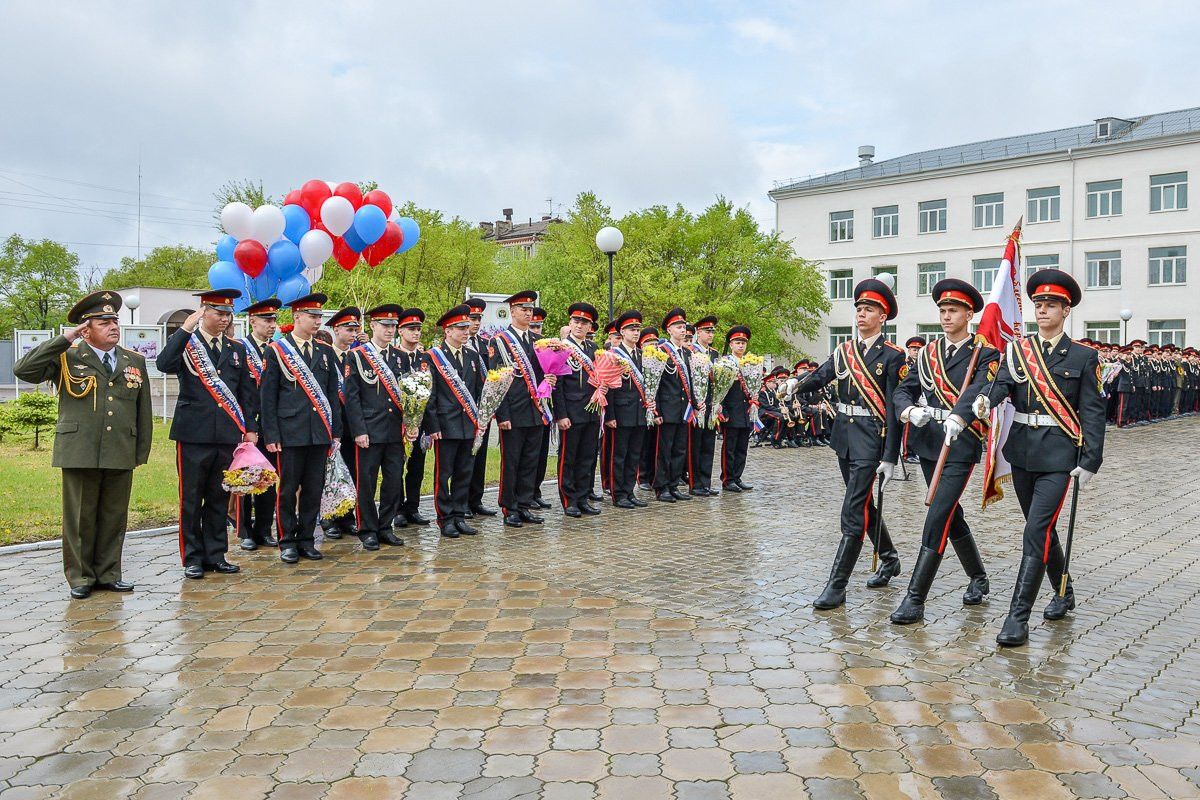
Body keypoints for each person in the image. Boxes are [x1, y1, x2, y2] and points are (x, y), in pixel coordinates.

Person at [946, 268, 1106, 646]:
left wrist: (1091, 460)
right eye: (1039, 304)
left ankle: (1018, 618)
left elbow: (1094, 411)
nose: (1043, 310)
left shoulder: (1084, 357)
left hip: (1059, 455)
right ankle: (1063, 589)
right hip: (1020, 453)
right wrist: (979, 402)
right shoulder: (1018, 351)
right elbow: (998, 385)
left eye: (1051, 304)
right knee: (1043, 530)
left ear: (1066, 310)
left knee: (1035, 531)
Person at [13, 291, 152, 599]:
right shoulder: (66, 356)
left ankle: (108, 573)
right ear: (86, 329)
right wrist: (65, 339)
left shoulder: (134, 361)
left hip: (120, 448)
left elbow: (143, 411)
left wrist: (140, 451)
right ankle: (80, 577)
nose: (113, 326)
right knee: (80, 517)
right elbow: (23, 370)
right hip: (80, 448)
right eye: (104, 322)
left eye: (114, 320)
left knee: (114, 516)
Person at [889, 279, 1000, 624]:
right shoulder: (926, 355)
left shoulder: (986, 354)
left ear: (969, 314)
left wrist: (961, 416)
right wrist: (908, 410)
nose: (946, 315)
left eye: (953, 310)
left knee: (937, 514)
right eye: (942, 310)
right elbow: (904, 389)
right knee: (950, 514)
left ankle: (915, 597)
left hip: (961, 443)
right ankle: (978, 576)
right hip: (929, 442)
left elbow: (980, 389)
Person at [793, 279, 907, 609]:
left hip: (873, 438)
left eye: (868, 309)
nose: (861, 314)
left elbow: (893, 407)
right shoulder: (844, 351)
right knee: (864, 504)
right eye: (858, 308)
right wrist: (794, 388)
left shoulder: (893, 357)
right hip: (844, 436)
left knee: (853, 509)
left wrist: (891, 456)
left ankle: (837, 585)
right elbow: (821, 375)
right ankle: (888, 556)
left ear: (882, 316)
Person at [157, 289, 259, 579]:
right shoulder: (188, 344)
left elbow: (246, 393)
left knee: (218, 496)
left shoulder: (236, 349)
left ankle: (216, 554)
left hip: (227, 434)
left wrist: (250, 428)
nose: (225, 318)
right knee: (191, 498)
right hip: (193, 434)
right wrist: (186, 329)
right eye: (219, 313)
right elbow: (164, 364)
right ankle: (192, 558)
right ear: (203, 312)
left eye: (228, 314)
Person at [260, 293, 343, 563]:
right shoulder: (277, 350)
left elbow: (332, 397)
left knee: (313, 489)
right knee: (287, 489)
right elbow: (268, 396)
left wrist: (336, 432)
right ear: (296, 316)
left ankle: (307, 539)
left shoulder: (326, 351)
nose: (318, 321)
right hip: (289, 432)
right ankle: (287, 540)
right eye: (312, 316)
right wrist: (270, 434)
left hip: (319, 432)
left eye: (320, 317)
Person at [344, 304, 408, 549]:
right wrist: (359, 430)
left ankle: (385, 526)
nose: (390, 330)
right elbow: (352, 397)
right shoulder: (357, 356)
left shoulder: (400, 357)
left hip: (395, 431)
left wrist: (410, 425)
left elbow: (410, 395)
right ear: (372, 326)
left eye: (393, 326)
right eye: (385, 325)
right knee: (367, 483)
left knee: (393, 482)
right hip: (369, 431)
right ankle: (368, 529)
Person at [488, 290, 552, 527]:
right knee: (512, 462)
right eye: (523, 309)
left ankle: (524, 505)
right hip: (513, 413)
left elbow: (542, 375)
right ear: (512, 311)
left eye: (530, 309)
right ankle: (509, 507)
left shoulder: (538, 342)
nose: (528, 313)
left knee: (530, 462)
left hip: (535, 410)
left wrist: (549, 381)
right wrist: (502, 414)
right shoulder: (500, 341)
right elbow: (496, 380)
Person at [426, 304, 487, 538]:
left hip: (468, 425)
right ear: (447, 331)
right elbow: (430, 395)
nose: (465, 331)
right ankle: (445, 518)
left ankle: (460, 514)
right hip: (445, 425)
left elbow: (479, 389)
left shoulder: (472, 355)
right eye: (460, 327)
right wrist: (433, 426)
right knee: (444, 474)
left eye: (466, 327)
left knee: (464, 472)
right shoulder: (433, 357)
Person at [235, 299, 282, 551]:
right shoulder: (240, 348)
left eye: (274, 320)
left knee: (268, 479)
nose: (271, 325)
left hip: (271, 424)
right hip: (247, 423)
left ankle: (264, 529)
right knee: (247, 479)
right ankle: (245, 531)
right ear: (252, 321)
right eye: (266, 320)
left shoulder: (278, 349)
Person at [553, 302, 604, 517]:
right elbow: (557, 386)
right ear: (570, 323)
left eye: (584, 323)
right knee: (569, 457)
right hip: (571, 413)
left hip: (591, 411)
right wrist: (561, 415)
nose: (579, 326)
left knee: (587, 458)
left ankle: (583, 497)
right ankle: (569, 499)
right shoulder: (560, 347)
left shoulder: (593, 349)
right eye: (576, 321)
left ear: (590, 326)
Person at [323, 306, 365, 543]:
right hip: (331, 426)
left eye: (355, 329)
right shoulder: (325, 354)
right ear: (336, 329)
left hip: (354, 426)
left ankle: (348, 516)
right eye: (349, 329)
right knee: (330, 475)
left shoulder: (358, 356)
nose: (353, 333)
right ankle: (329, 518)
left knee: (352, 472)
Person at [654, 308, 701, 502]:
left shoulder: (688, 353)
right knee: (665, 450)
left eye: (684, 327)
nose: (683, 330)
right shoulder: (661, 352)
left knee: (680, 449)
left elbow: (691, 382)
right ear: (669, 330)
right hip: (667, 408)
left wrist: (696, 405)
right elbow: (654, 384)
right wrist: (656, 410)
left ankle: (673, 485)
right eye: (678, 327)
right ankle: (662, 486)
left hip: (684, 409)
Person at [393, 307, 432, 528]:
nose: (416, 333)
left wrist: (429, 425)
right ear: (401, 330)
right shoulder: (392, 356)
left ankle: (413, 507)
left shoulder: (425, 358)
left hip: (420, 424)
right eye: (411, 329)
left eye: (418, 329)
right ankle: (398, 509)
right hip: (398, 424)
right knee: (397, 467)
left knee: (417, 468)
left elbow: (430, 393)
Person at [463, 297, 497, 517]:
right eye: (472, 319)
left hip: (481, 410)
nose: (476, 323)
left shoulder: (485, 345)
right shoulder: (455, 345)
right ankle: (462, 501)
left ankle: (476, 499)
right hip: (463, 409)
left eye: (478, 319)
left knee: (481, 456)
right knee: (465, 459)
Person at [718, 325, 755, 492]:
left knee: (742, 448)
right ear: (731, 345)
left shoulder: (750, 364)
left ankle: (738, 476)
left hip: (745, 411)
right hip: (731, 411)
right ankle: (728, 479)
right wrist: (722, 410)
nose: (741, 346)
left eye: (743, 343)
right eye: (737, 342)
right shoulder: (725, 363)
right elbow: (720, 390)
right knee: (730, 448)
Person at [688, 315, 720, 496]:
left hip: (711, 405)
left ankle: (706, 482)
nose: (710, 334)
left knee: (709, 444)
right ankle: (695, 483)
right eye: (707, 331)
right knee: (696, 444)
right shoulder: (691, 351)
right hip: (697, 405)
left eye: (712, 332)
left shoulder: (714, 354)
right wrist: (695, 402)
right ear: (698, 333)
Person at [529, 306, 553, 509]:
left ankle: (535, 491)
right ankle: (524, 497)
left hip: (544, 408)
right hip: (526, 408)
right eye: (532, 326)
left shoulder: (545, 345)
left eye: (538, 326)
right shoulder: (524, 345)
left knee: (540, 454)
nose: (535, 329)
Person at [637, 326, 660, 490]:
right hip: (640, 407)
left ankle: (653, 475)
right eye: (648, 342)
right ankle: (642, 476)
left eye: (655, 342)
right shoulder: (637, 359)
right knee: (642, 445)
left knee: (654, 444)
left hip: (656, 408)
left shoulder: (660, 359)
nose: (652, 346)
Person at [901, 336, 926, 464]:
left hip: (921, 401)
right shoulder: (905, 365)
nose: (916, 351)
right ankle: (907, 454)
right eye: (913, 349)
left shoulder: (923, 364)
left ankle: (914, 452)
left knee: (917, 429)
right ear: (909, 350)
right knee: (908, 429)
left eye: (918, 349)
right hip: (909, 401)